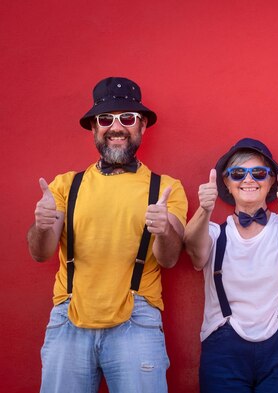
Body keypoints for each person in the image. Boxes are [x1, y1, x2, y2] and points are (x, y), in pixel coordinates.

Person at [26, 77, 188, 393]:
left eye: (127, 118)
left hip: (136, 318)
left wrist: (163, 228)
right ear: (94, 128)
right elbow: (40, 252)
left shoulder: (166, 188)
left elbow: (169, 260)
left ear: (142, 126)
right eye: (106, 119)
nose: (116, 127)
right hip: (68, 314)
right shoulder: (65, 185)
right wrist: (43, 225)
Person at [184, 138, 278, 392]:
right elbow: (195, 254)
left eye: (259, 173)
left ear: (271, 181)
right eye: (238, 173)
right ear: (226, 183)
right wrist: (204, 209)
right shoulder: (213, 232)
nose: (249, 180)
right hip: (223, 351)